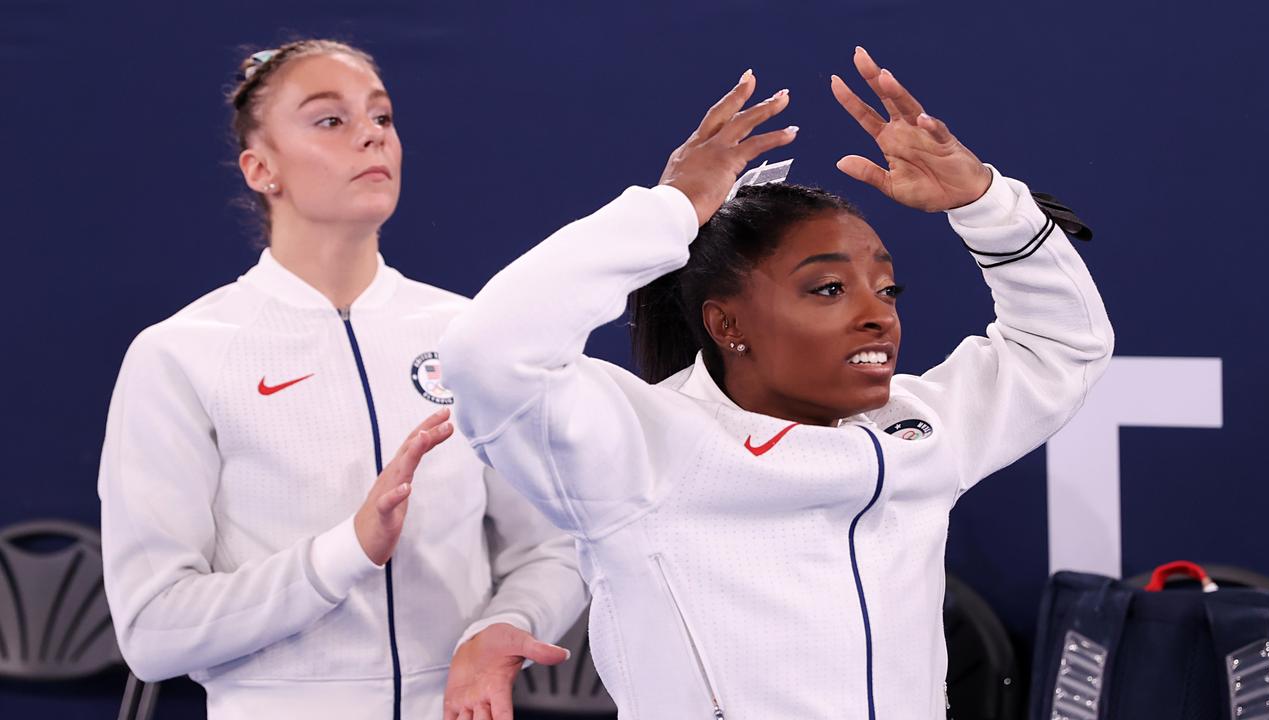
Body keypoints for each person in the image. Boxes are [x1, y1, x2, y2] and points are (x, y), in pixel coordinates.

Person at [439, 46, 1113, 718]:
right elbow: (488, 354)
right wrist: (671, 210)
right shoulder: (642, 450)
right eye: (827, 288)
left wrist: (990, 207)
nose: (878, 315)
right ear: (728, 324)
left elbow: (1059, 346)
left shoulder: (917, 430)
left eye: (887, 287)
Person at [98, 39, 587, 720]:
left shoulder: (471, 334)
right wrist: (345, 553)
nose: (371, 138)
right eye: (331, 120)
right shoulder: (180, 355)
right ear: (261, 168)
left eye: (382, 118)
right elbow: (152, 631)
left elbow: (556, 544)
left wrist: (499, 627)